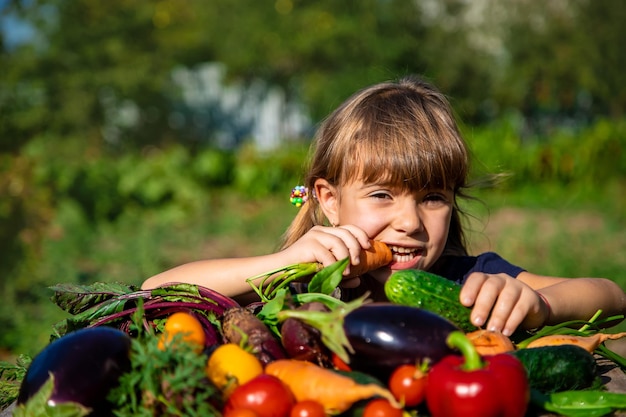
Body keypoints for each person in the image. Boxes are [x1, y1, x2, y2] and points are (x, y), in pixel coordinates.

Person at [142, 75, 626, 336]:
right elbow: (155, 291)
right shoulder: (296, 286)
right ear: (328, 200)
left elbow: (610, 293)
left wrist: (539, 304)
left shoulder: (464, 283)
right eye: (381, 195)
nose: (410, 222)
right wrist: (281, 263)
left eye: (433, 197)